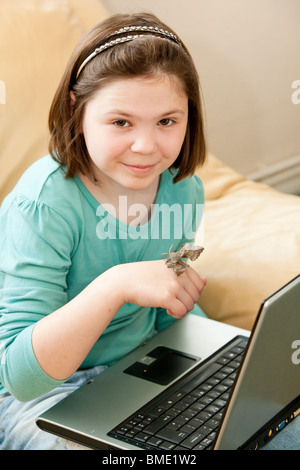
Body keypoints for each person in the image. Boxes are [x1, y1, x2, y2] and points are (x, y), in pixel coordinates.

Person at [0, 12, 298, 451]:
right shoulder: (43, 206)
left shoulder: (184, 188)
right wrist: (116, 285)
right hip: (48, 394)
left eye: (166, 122)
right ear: (74, 110)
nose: (146, 146)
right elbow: (20, 377)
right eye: (121, 122)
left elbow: (168, 307)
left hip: (142, 368)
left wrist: (225, 353)